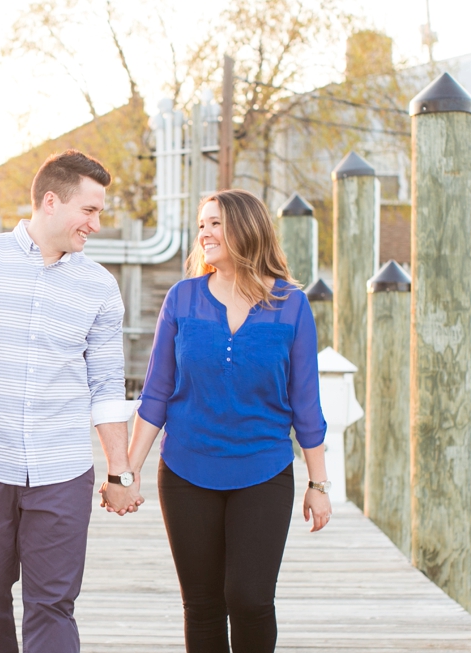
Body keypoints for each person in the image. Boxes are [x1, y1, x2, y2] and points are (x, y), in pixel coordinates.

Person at [0, 149, 140, 653]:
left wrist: (119, 472)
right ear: (51, 201)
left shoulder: (100, 288)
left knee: (53, 603)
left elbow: (107, 386)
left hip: (61, 469)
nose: (96, 224)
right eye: (90, 210)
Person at [126, 189, 332, 653]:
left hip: (263, 470)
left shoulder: (291, 305)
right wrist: (127, 471)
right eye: (202, 224)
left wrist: (318, 485)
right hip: (185, 471)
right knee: (201, 604)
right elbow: (156, 393)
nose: (205, 232)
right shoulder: (182, 299)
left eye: (215, 222)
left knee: (250, 598)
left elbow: (306, 404)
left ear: (246, 227)